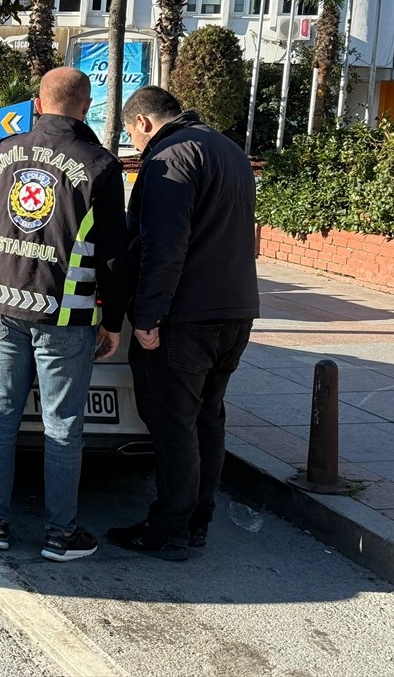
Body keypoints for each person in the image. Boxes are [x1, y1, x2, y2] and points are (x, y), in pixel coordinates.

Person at [0, 67, 127, 562]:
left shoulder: (1, 154)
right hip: (64, 313)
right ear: (86, 106)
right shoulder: (101, 166)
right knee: (62, 426)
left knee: (0, 419)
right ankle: (61, 535)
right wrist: (114, 320)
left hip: (1, 303)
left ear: (37, 103)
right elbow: (113, 254)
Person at [107, 87, 259, 561]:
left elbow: (163, 246)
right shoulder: (228, 149)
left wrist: (148, 315)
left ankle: (168, 530)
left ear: (145, 123)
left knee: (174, 425)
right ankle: (197, 521)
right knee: (208, 419)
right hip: (235, 310)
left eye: (132, 135)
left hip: (184, 316)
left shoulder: (169, 157)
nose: (135, 145)